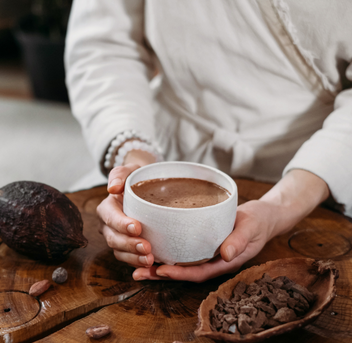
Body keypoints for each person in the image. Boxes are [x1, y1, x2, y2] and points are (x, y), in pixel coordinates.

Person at [64, 1, 352, 282]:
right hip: (162, 143)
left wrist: (280, 207)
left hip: (317, 168)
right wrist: (135, 159)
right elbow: (105, 45)